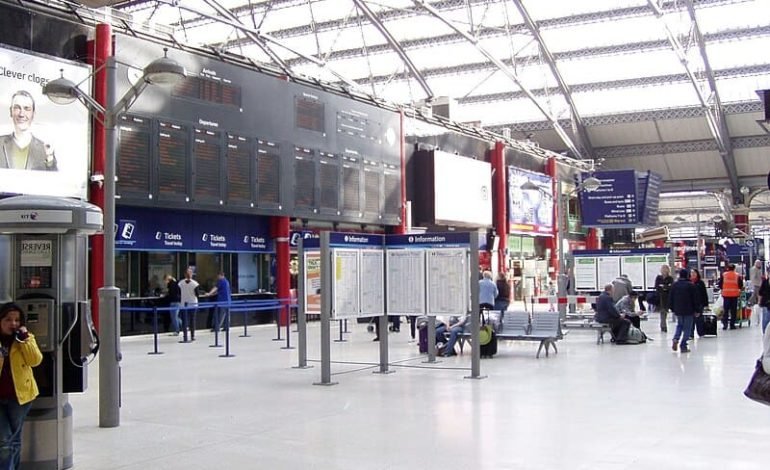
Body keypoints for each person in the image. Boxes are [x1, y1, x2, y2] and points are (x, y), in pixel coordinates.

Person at [0, 302, 43, 469]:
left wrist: (25, 340)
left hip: (19, 397)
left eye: (17, 320)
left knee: (14, 440)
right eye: (8, 320)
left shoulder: (25, 339)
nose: (13, 324)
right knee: (4, 440)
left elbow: (35, 360)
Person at [0, 90, 57, 171]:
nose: (21, 114)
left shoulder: (45, 150)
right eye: (17, 108)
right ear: (10, 112)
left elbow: (54, 180)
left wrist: (50, 158)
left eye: (27, 109)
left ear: (33, 114)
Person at [669, 269, 698, 353]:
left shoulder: (675, 285)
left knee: (680, 325)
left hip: (678, 309)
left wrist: (672, 308)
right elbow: (695, 299)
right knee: (687, 328)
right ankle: (683, 344)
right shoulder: (691, 286)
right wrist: (697, 309)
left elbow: (671, 297)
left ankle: (675, 338)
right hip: (689, 310)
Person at [718, 264, 743, 330]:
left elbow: (720, 284)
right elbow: (740, 285)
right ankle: (732, 325)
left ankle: (725, 325)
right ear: (734, 268)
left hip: (726, 295)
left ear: (728, 268)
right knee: (733, 311)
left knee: (726, 311)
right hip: (734, 295)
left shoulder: (724, 275)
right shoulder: (737, 275)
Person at [178, 267, 200, 339]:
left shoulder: (180, 283)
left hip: (183, 303)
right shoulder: (195, 284)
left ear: (184, 275)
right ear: (191, 275)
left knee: (184, 320)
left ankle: (185, 335)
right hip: (193, 303)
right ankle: (192, 335)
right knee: (192, 320)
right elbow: (197, 294)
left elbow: (178, 293)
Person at [690, 268, 709, 338]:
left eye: (694, 273)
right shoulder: (688, 282)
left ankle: (701, 333)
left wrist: (706, 304)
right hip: (690, 304)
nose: (693, 274)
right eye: (691, 273)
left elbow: (704, 294)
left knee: (699, 319)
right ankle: (691, 334)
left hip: (699, 303)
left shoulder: (700, 283)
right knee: (691, 320)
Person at [654, 265, 674, 332]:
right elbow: (657, 286)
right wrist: (665, 287)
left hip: (667, 298)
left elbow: (671, 287)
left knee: (664, 311)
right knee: (662, 312)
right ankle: (663, 326)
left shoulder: (670, 278)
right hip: (660, 297)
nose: (664, 271)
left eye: (666, 269)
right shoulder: (658, 278)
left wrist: (663, 287)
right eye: (663, 269)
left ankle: (663, 325)